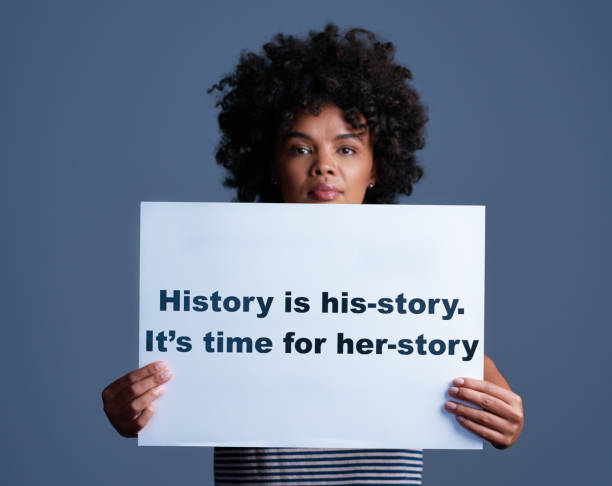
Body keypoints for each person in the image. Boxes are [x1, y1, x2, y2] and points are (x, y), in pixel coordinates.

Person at [102, 24, 524, 485]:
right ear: (271, 165)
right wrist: (133, 406)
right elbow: (170, 384)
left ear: (376, 167)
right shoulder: (218, 282)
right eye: (300, 148)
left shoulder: (413, 284)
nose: (324, 165)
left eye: (347, 148)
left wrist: (504, 418)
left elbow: (474, 375)